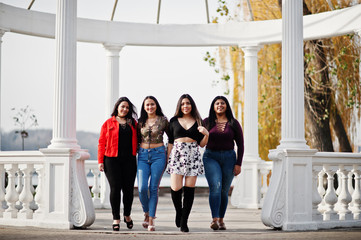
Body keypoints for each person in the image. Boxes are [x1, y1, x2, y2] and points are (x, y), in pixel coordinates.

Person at [166, 94, 209, 232]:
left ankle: (184, 221)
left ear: (192, 105)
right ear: (180, 105)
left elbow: (202, 145)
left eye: (188, 103)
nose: (186, 106)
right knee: (176, 188)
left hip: (193, 155)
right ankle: (179, 211)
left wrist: (206, 134)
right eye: (183, 103)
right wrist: (167, 159)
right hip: (177, 154)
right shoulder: (173, 121)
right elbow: (171, 142)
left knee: (189, 190)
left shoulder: (199, 121)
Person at [203, 96, 244, 231]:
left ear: (226, 106)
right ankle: (214, 219)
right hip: (211, 157)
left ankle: (221, 219)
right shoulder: (207, 122)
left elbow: (241, 144)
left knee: (224, 190)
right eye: (217, 103)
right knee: (216, 186)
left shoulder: (234, 123)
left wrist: (239, 163)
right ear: (213, 106)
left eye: (222, 103)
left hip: (229, 158)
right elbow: (197, 139)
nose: (220, 105)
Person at [97, 97, 138, 231]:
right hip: (111, 160)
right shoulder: (108, 123)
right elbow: (101, 143)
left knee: (128, 190)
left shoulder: (133, 123)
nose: (125, 109)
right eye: (122, 107)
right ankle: (116, 218)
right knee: (115, 188)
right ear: (117, 107)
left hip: (129, 161)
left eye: (127, 107)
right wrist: (100, 161)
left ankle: (127, 215)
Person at [137, 96, 169, 231]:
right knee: (142, 188)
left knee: (153, 188)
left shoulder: (163, 120)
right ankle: (146, 212)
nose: (150, 107)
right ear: (144, 107)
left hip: (159, 155)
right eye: (147, 105)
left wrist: (169, 153)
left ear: (156, 105)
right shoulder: (139, 122)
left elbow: (173, 136)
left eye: (152, 104)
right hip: (143, 155)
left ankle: (151, 219)